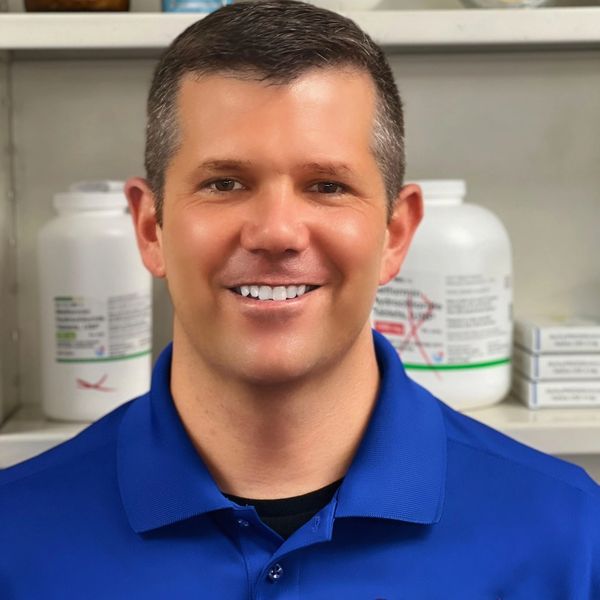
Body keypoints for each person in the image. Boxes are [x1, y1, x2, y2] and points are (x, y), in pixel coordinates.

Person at [1, 0, 599, 597]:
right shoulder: (15, 539)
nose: (276, 233)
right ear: (149, 229)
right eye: (224, 183)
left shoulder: (570, 537)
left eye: (327, 186)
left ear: (395, 235)